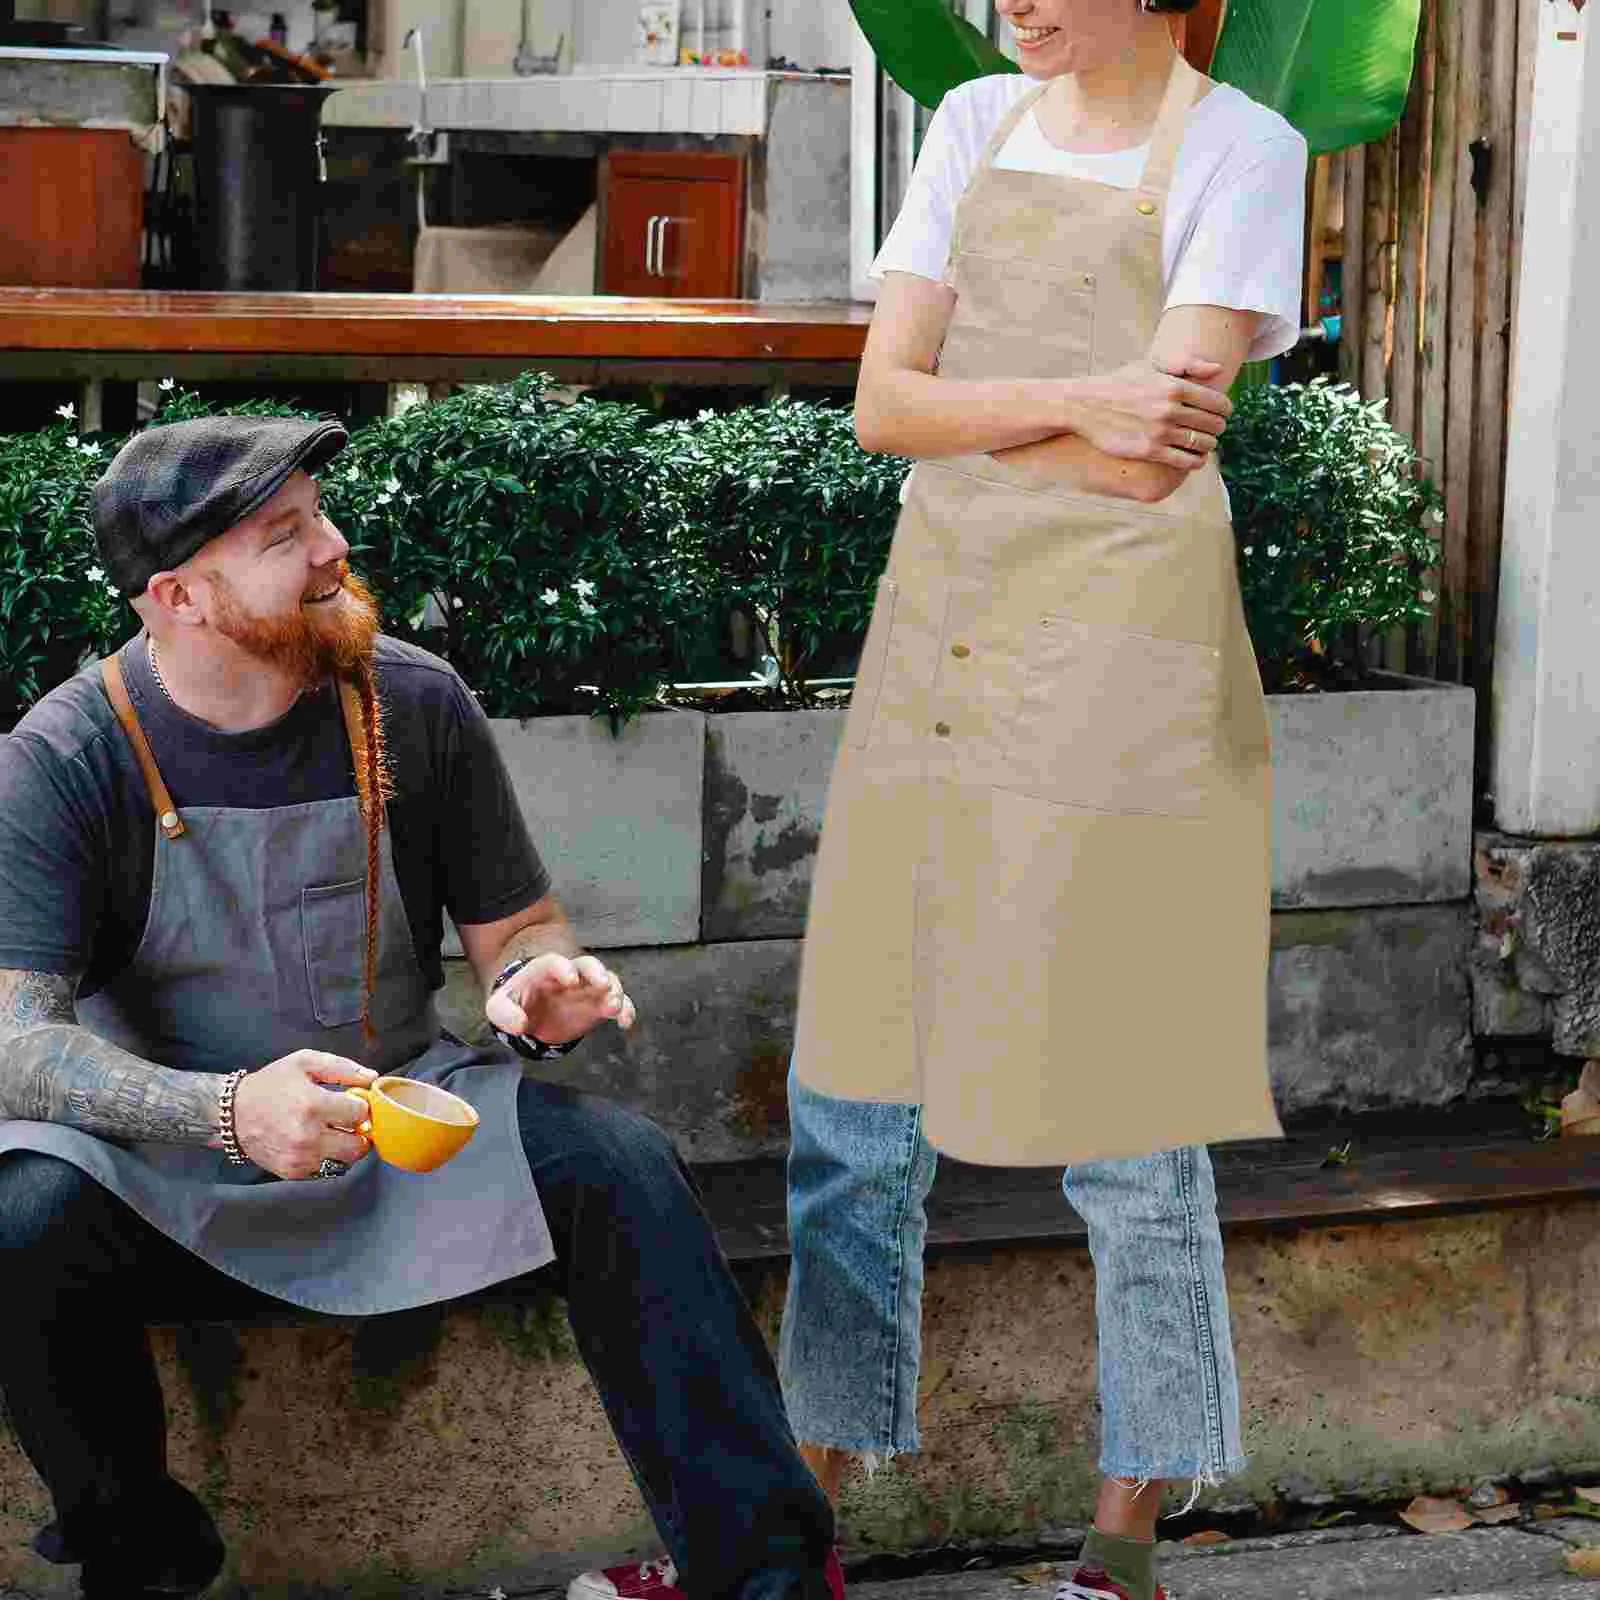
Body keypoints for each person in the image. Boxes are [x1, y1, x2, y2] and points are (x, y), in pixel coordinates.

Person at [0, 414, 841, 1600]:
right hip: (166, 1169)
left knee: (622, 1170)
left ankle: (768, 1580)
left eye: (321, 513)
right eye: (285, 534)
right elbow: (15, 1047)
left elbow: (521, 931)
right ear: (179, 598)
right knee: (18, 1214)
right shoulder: (67, 754)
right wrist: (231, 1112)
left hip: (401, 1129)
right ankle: (137, 1553)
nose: (334, 546)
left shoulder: (410, 700)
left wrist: (533, 982)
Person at [776, 3, 1308, 1600]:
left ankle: (1121, 1549)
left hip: (1122, 659)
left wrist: (984, 413)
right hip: (936, 635)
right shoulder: (969, 126)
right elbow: (882, 407)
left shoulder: (1244, 149)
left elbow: (1158, 461)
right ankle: (799, 1537)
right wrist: (1086, 400)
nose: (1012, 0)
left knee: (1128, 1110)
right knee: (851, 1099)